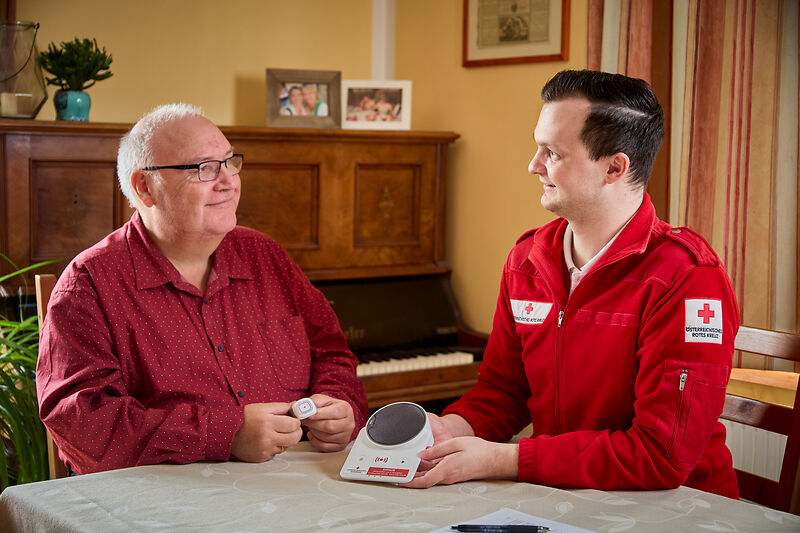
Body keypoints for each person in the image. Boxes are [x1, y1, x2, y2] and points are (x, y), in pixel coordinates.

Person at [402, 70, 740, 499]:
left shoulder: (688, 279)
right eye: (537, 147)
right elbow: (505, 389)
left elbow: (662, 455)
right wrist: (451, 427)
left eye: (553, 153)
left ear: (615, 167)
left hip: (680, 509)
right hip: (563, 492)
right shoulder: (526, 261)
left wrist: (503, 459)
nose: (533, 165)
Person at [36, 103, 368, 475]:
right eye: (204, 169)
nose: (228, 181)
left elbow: (332, 352)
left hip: (296, 484)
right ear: (145, 187)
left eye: (229, 161)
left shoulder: (265, 255)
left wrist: (339, 405)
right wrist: (225, 434)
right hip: (166, 504)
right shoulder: (89, 285)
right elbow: (86, 425)